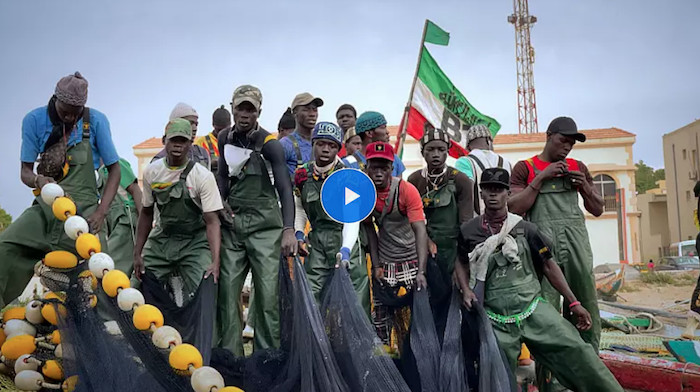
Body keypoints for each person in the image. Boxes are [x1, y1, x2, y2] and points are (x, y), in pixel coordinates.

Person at [454, 168, 623, 392]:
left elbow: (549, 266)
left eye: (499, 190)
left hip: (532, 309)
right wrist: (466, 290)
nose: (493, 195)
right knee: (495, 374)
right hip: (494, 317)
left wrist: (574, 302)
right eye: (488, 190)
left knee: (576, 350)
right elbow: (459, 262)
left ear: (507, 194)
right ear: (481, 194)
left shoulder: (526, 229)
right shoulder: (468, 231)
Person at [0, 72, 121, 308]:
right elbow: (25, 172)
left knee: (99, 280)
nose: (70, 117)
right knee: (5, 249)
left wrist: (100, 212)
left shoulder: (96, 121)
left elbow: (114, 170)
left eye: (76, 113)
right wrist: (38, 181)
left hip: (84, 215)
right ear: (55, 99)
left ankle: (101, 335)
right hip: (45, 211)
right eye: (65, 111)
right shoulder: (34, 120)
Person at [508, 116, 604, 390]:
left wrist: (583, 185)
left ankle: (589, 376)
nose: (567, 148)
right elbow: (515, 207)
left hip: (576, 245)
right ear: (549, 136)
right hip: (543, 250)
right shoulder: (525, 168)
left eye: (572, 144)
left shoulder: (578, 167)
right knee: (546, 315)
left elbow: (598, 208)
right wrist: (541, 177)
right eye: (563, 140)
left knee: (586, 306)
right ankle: (550, 382)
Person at [216, 85, 297, 355]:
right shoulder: (224, 138)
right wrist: (220, 203)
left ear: (259, 111)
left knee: (267, 296)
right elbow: (223, 176)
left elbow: (285, 188)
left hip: (266, 227)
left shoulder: (270, 144)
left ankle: (267, 359)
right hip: (234, 225)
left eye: (250, 109)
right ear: (232, 108)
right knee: (227, 293)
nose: (245, 114)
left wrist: (288, 230)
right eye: (240, 108)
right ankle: (230, 358)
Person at [133, 118, 222, 305]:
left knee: (204, 288)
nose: (177, 146)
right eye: (173, 140)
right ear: (164, 141)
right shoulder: (152, 172)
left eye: (183, 141)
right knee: (137, 286)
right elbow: (146, 213)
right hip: (163, 238)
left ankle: (202, 333)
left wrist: (214, 261)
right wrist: (138, 253)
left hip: (195, 242)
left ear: (190, 144)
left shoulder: (202, 176)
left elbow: (212, 221)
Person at [293, 122, 369, 314]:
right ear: (313, 144)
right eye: (321, 144)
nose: (326, 149)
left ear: (338, 148)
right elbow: (299, 206)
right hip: (317, 239)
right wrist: (299, 233)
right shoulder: (302, 174)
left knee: (353, 296)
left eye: (332, 145)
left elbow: (352, 218)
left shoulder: (348, 175)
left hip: (345, 238)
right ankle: (314, 342)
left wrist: (345, 249)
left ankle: (361, 343)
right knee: (311, 292)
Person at [407, 128, 473, 334]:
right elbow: (411, 220)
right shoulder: (414, 180)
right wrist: (426, 241)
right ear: (423, 152)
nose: (436, 154)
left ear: (448, 152)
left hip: (453, 250)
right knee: (427, 307)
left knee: (456, 306)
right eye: (430, 150)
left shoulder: (460, 180)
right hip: (424, 251)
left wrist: (461, 260)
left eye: (441, 150)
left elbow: (466, 223)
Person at [363, 141, 427, 346]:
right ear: (366, 167)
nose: (379, 173)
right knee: (381, 319)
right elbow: (369, 231)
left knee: (416, 316)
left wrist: (421, 271)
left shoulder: (406, 190)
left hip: (411, 259)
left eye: (384, 167)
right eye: (374, 167)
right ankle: (385, 367)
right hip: (386, 261)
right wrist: (377, 265)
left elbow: (420, 230)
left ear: (392, 168)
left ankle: (416, 360)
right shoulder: (365, 193)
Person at [97, 158, 142, 276]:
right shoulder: (98, 172)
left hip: (126, 221)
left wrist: (143, 224)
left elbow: (135, 190)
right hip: (114, 223)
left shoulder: (115, 163)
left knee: (111, 267)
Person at [455, 124, 512, 215]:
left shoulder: (464, 162)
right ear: (488, 141)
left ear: (468, 145)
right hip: (503, 220)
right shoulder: (506, 163)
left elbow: (465, 193)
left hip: (477, 221)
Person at [343, 111, 406, 177]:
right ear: (369, 133)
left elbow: (399, 186)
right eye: (383, 127)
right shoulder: (348, 164)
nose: (387, 132)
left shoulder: (394, 159)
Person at [152, 103, 211, 170]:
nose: (194, 128)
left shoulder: (202, 154)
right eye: (190, 123)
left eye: (196, 124)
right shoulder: (158, 162)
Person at [280, 92, 323, 176]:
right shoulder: (285, 144)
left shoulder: (323, 144)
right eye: (306, 110)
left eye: (315, 110)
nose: (312, 114)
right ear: (295, 113)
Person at [194, 105, 231, 173]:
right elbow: (195, 168)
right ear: (213, 124)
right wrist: (210, 163)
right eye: (219, 130)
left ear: (230, 125)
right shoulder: (201, 142)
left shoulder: (236, 140)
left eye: (225, 129)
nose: (222, 133)